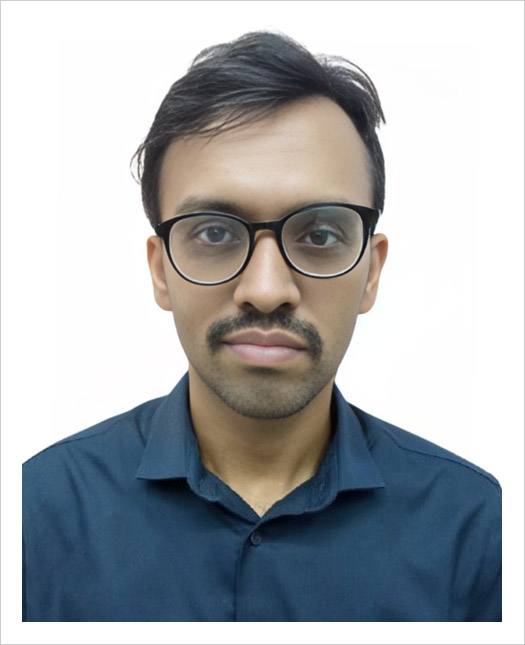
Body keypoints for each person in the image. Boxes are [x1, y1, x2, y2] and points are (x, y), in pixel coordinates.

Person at [22, 31, 501, 622]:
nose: (268, 290)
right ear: (161, 271)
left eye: (319, 234)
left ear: (371, 272)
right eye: (214, 232)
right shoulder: (33, 520)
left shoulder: (481, 534)